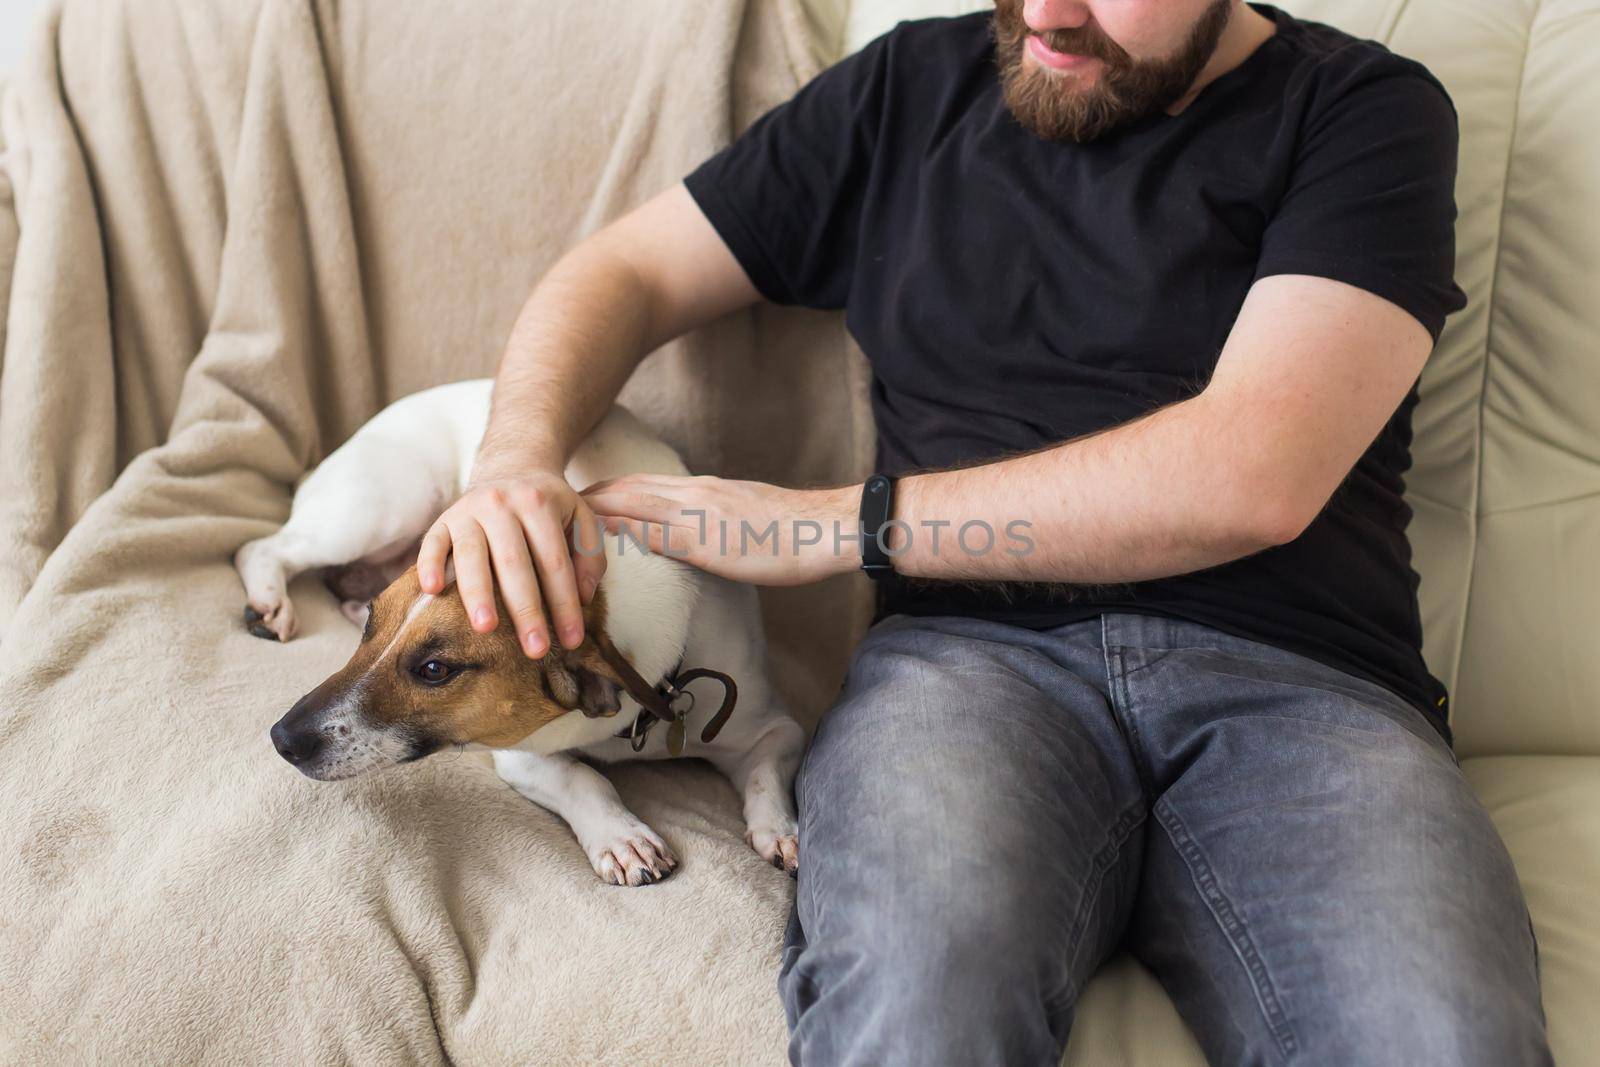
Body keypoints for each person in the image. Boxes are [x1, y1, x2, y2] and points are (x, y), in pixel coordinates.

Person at [416, 1, 1552, 1063]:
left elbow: (1251, 474)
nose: (1050, 14)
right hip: (969, 671)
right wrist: (515, 459)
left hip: (1304, 684)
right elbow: (625, 268)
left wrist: (834, 526)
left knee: (1433, 1031)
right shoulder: (911, 85)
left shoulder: (1361, 109)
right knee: (915, 1003)